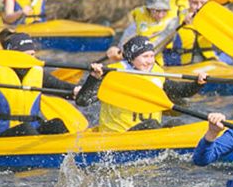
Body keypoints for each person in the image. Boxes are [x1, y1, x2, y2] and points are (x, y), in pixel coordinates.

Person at [0, 33, 77, 137]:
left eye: (33, 55)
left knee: (57, 125)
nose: (32, 60)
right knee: (26, 130)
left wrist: (80, 89)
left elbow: (66, 90)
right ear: (14, 56)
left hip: (28, 131)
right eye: (27, 56)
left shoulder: (38, 73)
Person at [76, 35, 207, 132]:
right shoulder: (112, 74)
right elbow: (83, 101)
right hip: (119, 135)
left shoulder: (157, 73)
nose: (150, 61)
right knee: (152, 124)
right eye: (145, 57)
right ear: (132, 58)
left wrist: (198, 83)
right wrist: (94, 78)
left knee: (177, 124)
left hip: (147, 132)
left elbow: (180, 90)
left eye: (151, 56)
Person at [106, 0, 177, 65]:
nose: (160, 15)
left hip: (161, 57)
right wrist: (115, 47)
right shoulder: (139, 16)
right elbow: (124, 33)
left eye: (164, 11)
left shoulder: (173, 20)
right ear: (149, 8)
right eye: (156, 10)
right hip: (136, 57)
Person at [163, 0, 216, 66]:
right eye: (194, 3)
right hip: (182, 65)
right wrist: (182, 24)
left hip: (212, 63)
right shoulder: (177, 19)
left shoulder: (216, 20)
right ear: (188, 1)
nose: (199, 7)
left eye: (203, 3)